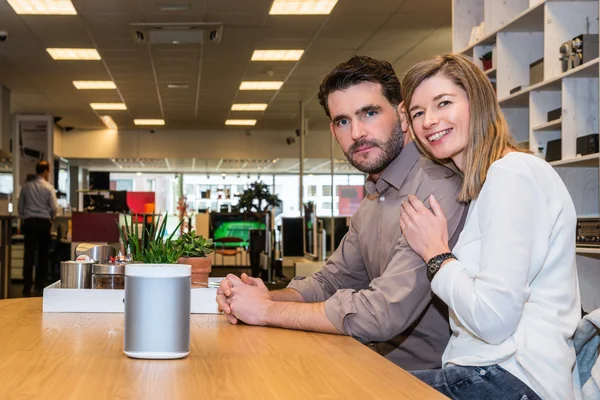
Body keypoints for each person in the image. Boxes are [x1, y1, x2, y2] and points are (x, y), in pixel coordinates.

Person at [216, 55, 468, 370]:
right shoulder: (373, 201)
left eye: (370, 113)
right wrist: (264, 297)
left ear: (403, 116)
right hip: (368, 361)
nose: (357, 132)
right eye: (343, 121)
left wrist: (266, 312)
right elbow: (331, 281)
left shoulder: (434, 188)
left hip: (424, 380)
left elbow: (383, 312)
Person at [399, 53, 581, 399]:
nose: (429, 121)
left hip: (512, 376)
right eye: (418, 112)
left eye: (444, 103)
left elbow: (494, 319)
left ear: (477, 102)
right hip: (497, 373)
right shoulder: (492, 182)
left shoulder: (511, 173)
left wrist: (436, 254)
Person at [18, 160, 58, 297]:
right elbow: (54, 208)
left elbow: (20, 207)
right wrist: (51, 217)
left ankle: (26, 287)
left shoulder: (26, 187)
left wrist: (24, 217)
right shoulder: (48, 187)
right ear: (46, 171)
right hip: (43, 223)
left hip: (29, 223)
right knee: (42, 255)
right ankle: (40, 286)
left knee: (28, 255)